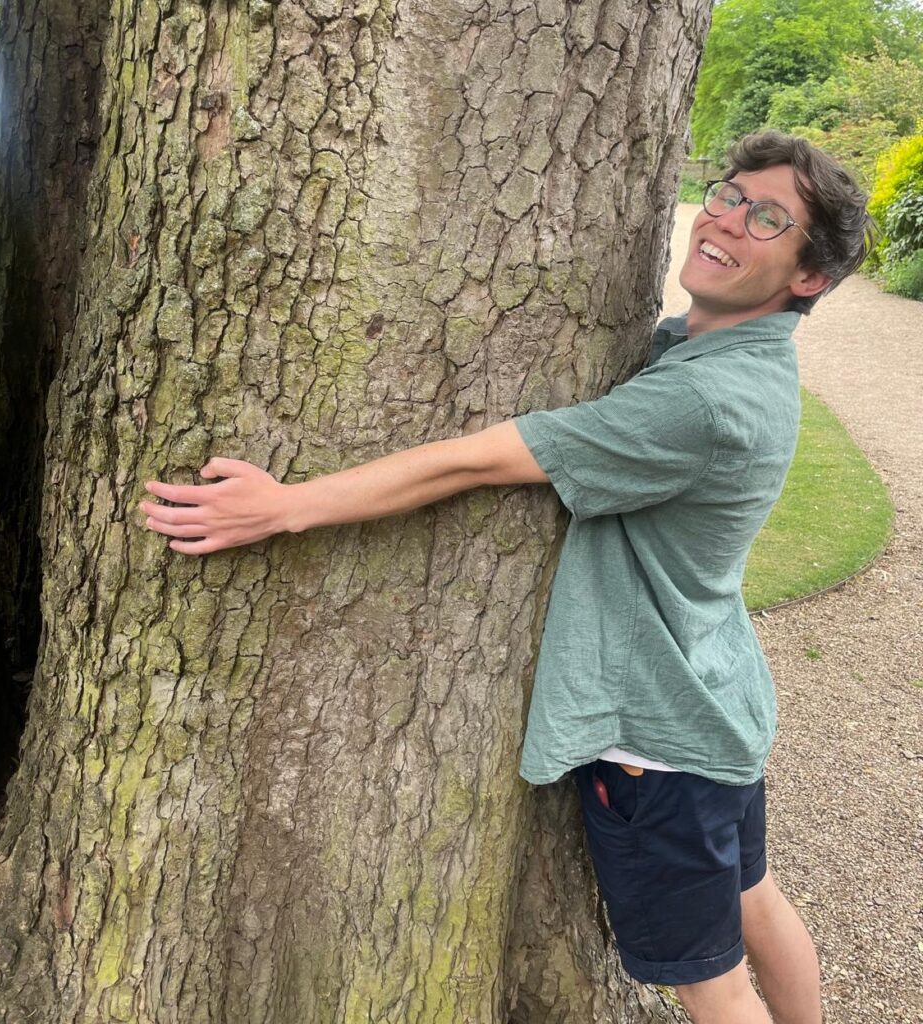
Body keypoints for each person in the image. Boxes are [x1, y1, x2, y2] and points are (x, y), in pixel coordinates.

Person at [140, 131, 875, 1023]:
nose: (725, 220)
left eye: (769, 218)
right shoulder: (727, 357)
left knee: (710, 980)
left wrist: (288, 506)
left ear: (809, 278)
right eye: (728, 194)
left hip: (661, 744)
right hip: (721, 709)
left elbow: (477, 462)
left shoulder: (704, 400)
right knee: (754, 896)